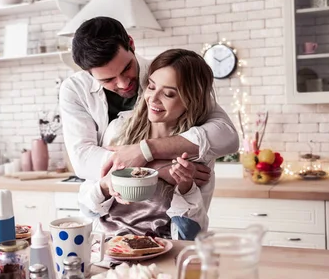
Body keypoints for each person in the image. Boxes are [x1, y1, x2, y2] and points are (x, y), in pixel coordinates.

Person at [59, 17, 239, 187]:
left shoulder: (164, 73)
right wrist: (158, 169)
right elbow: (82, 161)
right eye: (108, 80)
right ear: (88, 73)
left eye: (126, 68)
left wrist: (145, 150)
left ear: (131, 43)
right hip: (105, 206)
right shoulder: (75, 89)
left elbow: (227, 136)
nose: (123, 84)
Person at [78, 49, 216, 239]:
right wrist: (104, 185)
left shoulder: (196, 155)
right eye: (151, 87)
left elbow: (191, 235)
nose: (153, 98)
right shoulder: (119, 129)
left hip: (161, 256)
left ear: (190, 101)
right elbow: (86, 211)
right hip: (108, 250)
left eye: (168, 94)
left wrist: (185, 187)